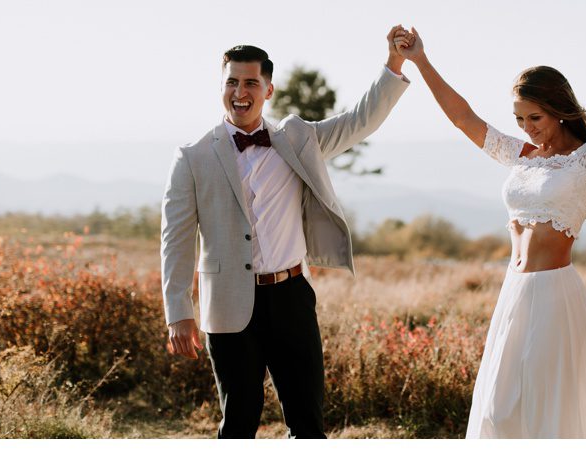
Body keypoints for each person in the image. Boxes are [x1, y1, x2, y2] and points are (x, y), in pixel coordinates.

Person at [392, 0, 586, 438]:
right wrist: (421, 60)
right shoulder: (523, 156)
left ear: (559, 111)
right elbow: (464, 118)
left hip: (554, 294)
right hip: (514, 290)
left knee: (545, 406)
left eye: (535, 117)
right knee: (500, 408)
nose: (527, 127)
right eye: (520, 118)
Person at [159, 34, 411, 438]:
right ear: (222, 87)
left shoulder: (297, 138)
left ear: (268, 90)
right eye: (231, 83)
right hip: (228, 302)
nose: (239, 92)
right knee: (238, 423)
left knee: (308, 424)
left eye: (250, 83)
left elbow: (359, 120)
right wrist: (179, 311)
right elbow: (176, 239)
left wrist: (393, 64)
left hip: (291, 295)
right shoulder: (193, 156)